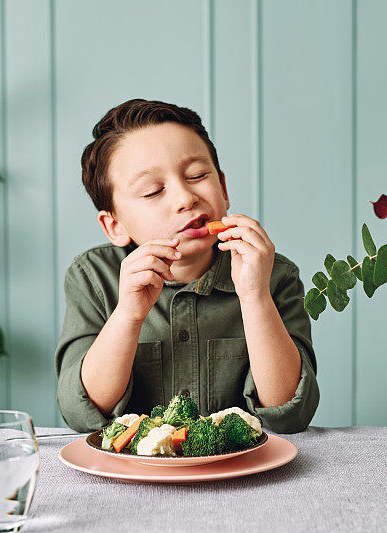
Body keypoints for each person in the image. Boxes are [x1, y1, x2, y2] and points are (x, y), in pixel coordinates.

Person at [55, 99, 319, 433]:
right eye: (153, 191)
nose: (185, 198)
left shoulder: (272, 273)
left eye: (196, 175)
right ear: (115, 226)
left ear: (223, 189)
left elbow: (291, 414)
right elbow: (80, 414)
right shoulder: (92, 277)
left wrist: (255, 297)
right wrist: (128, 315)